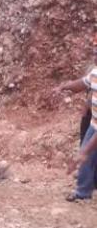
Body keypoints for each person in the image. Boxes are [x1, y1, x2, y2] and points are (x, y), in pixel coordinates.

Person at [57, 33, 97, 202]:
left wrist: (85, 152)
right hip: (94, 122)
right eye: (95, 50)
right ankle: (83, 193)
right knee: (86, 155)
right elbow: (82, 84)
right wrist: (64, 86)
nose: (95, 53)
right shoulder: (95, 72)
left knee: (86, 152)